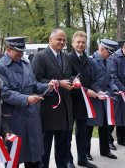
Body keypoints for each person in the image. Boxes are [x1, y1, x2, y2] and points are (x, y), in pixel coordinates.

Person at [0, 37, 54, 168]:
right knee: (13, 158)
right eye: (18, 51)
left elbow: (34, 86)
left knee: (34, 157)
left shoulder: (26, 64)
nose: (21, 54)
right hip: (14, 118)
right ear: (8, 50)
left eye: (22, 51)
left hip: (31, 117)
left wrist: (47, 86)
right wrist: (26, 99)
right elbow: (4, 92)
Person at [32, 29, 75, 168]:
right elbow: (36, 82)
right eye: (59, 39)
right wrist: (57, 83)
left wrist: (74, 81)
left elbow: (68, 75)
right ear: (50, 39)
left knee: (63, 147)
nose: (62, 42)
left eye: (64, 40)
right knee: (45, 147)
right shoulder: (40, 57)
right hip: (48, 110)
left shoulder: (66, 57)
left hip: (65, 110)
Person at [67, 31, 98, 168]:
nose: (80, 44)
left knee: (82, 132)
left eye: (83, 42)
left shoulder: (88, 60)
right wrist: (86, 91)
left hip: (84, 103)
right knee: (67, 134)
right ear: (73, 43)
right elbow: (69, 80)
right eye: (78, 42)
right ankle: (68, 160)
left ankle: (82, 158)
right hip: (70, 101)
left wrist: (98, 91)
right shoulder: (67, 59)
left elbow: (91, 80)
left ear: (86, 44)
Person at [89, 39, 118, 160]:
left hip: (105, 97)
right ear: (101, 49)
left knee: (105, 125)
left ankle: (105, 150)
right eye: (109, 52)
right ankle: (85, 153)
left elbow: (111, 78)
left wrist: (115, 89)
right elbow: (90, 80)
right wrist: (97, 92)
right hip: (93, 97)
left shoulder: (109, 60)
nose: (110, 55)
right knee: (89, 127)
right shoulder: (91, 60)